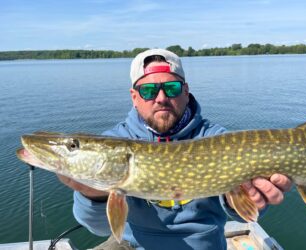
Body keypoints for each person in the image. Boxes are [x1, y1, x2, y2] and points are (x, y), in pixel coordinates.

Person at [57, 49, 292, 250]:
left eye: (171, 88)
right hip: (132, 244)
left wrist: (248, 200)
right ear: (134, 97)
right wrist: (93, 194)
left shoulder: (217, 139)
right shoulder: (116, 140)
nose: (160, 98)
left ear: (186, 91)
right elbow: (99, 228)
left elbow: (245, 213)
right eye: (148, 91)